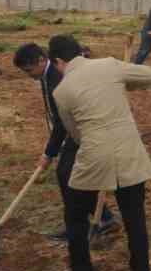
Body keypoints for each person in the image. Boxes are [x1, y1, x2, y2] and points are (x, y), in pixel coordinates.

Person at [50, 36, 151, 271]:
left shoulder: (61, 91)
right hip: (129, 152)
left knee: (75, 218)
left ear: (58, 61)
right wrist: (123, 82)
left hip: (93, 156)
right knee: (135, 219)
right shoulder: (110, 65)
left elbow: (75, 134)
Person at [13, 42, 116, 239]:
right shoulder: (46, 75)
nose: (29, 75)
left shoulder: (57, 78)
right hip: (72, 129)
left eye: (29, 70)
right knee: (69, 175)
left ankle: (86, 222)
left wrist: (49, 153)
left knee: (68, 175)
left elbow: (62, 122)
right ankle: (98, 217)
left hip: (82, 129)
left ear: (42, 60)